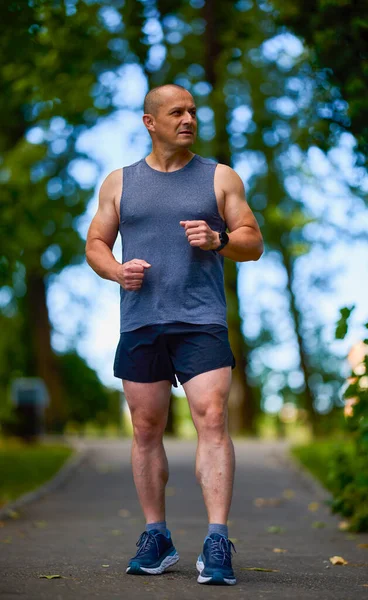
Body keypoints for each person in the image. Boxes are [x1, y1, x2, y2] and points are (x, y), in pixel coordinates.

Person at [85, 83, 263, 586]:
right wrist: (118, 271)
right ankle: (156, 535)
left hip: (201, 318)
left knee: (211, 416)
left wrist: (220, 238)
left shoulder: (219, 177)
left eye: (192, 111)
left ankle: (217, 538)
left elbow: (253, 241)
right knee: (145, 428)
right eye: (175, 111)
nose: (187, 119)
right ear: (150, 121)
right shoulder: (119, 182)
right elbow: (96, 242)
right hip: (141, 320)